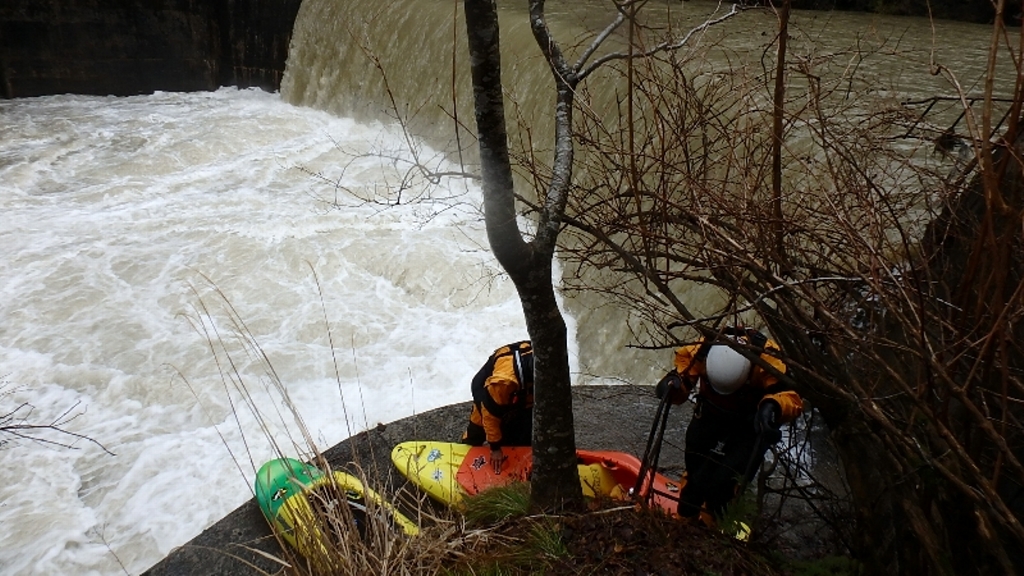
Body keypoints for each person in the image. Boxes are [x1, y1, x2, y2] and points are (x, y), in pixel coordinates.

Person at [655, 327, 803, 523]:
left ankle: (715, 527)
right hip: (710, 415)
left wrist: (772, 405)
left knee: (725, 485)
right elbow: (684, 375)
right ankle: (685, 521)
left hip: (748, 427)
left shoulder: (767, 358)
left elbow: (791, 397)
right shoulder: (703, 349)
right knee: (695, 474)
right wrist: (673, 386)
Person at [462, 340, 535, 473]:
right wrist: (495, 448)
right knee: (479, 427)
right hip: (486, 390)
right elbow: (490, 415)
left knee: (522, 433)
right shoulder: (503, 382)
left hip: (522, 395)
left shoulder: (547, 358)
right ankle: (468, 448)